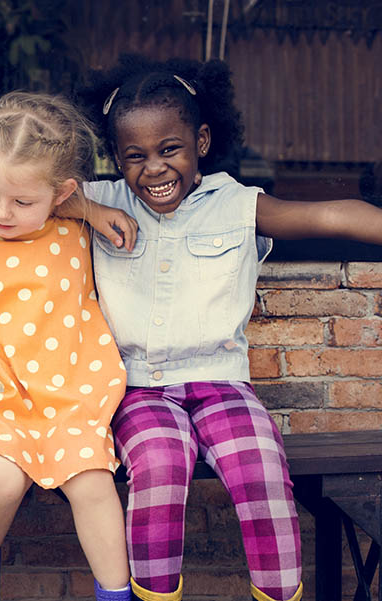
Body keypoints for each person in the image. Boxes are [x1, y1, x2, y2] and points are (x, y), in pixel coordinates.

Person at [78, 54, 382, 601]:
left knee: (261, 467)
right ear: (115, 158)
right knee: (160, 465)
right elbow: (8, 187)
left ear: (201, 140)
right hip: (137, 389)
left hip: (221, 383)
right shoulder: (99, 201)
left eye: (169, 149)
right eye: (134, 156)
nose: (153, 168)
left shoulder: (239, 204)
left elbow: (329, 216)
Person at [0, 92, 130, 601]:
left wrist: (89, 208)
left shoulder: (77, 230)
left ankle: (117, 594)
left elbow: (79, 201)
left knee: (94, 485)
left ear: (61, 194)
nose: (2, 212)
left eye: (23, 201)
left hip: (73, 401)